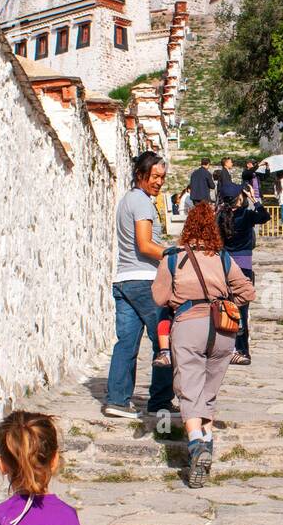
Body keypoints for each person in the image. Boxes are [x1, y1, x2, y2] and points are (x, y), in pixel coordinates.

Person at [153, 204, 256, 486]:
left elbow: (159, 297)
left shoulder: (173, 258)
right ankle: (207, 447)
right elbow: (248, 291)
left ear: (187, 227)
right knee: (208, 392)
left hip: (188, 325)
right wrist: (226, 303)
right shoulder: (222, 258)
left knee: (189, 389)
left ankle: (196, 444)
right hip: (223, 329)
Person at [104, 151, 175, 420]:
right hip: (145, 281)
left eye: (162, 177)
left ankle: (117, 399)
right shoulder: (143, 202)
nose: (159, 182)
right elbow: (145, 246)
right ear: (140, 175)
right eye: (155, 176)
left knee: (126, 343)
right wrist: (173, 254)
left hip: (123, 280)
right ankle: (160, 401)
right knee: (164, 342)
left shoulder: (126, 201)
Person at [216, 180, 270, 365]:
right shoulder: (246, 215)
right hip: (244, 268)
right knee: (241, 309)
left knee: (224, 306)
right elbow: (265, 217)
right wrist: (255, 200)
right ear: (239, 198)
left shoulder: (220, 217)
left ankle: (224, 347)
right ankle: (241, 349)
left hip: (224, 266)